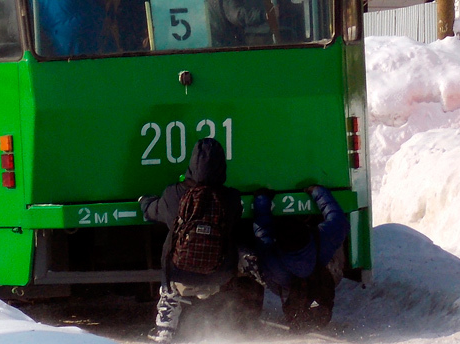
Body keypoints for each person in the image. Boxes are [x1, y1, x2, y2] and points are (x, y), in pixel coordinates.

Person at [139, 138, 241, 343]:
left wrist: (144, 202)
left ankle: (165, 328)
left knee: (171, 244)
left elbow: (154, 211)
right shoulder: (230, 198)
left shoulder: (174, 194)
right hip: (218, 274)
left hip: (180, 274)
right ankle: (231, 318)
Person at [247, 184, 348, 332]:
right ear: (307, 233)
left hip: (287, 285)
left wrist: (262, 200)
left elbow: (263, 233)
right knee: (335, 242)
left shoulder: (273, 259)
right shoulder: (321, 240)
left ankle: (300, 305)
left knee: (260, 256)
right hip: (320, 274)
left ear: (279, 243)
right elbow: (338, 219)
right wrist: (318, 192)